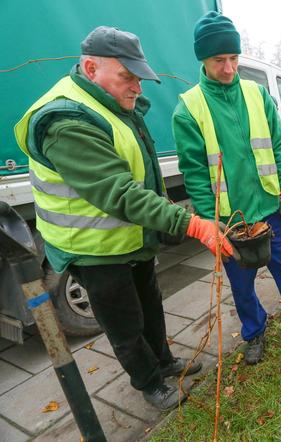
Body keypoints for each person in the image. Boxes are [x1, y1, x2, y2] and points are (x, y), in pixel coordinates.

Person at [13, 27, 233, 411]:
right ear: (90, 67)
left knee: (150, 305)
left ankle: (164, 362)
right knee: (124, 323)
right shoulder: (66, 120)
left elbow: (142, 170)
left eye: (139, 77)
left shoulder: (113, 104)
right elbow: (118, 191)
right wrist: (193, 224)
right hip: (93, 248)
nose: (138, 88)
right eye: (127, 77)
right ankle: (148, 382)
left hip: (130, 237)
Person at [172, 12, 281, 365]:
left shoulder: (257, 94)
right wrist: (208, 222)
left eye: (234, 58)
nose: (230, 67)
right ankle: (255, 333)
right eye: (220, 60)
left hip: (269, 210)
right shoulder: (189, 109)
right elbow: (196, 172)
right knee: (242, 286)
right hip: (232, 220)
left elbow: (279, 146)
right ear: (203, 59)